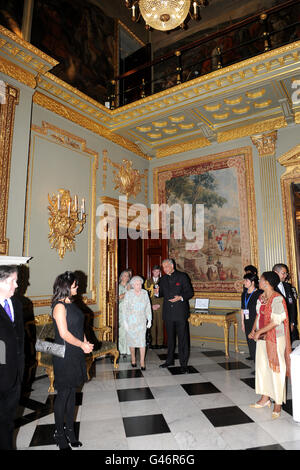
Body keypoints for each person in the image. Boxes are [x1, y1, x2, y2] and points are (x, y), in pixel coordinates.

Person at [51, 271, 93, 450]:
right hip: (64, 354)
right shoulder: (59, 306)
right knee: (63, 395)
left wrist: (85, 342)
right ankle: (60, 434)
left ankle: (70, 431)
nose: (78, 287)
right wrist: (81, 345)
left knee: (72, 394)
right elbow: (64, 333)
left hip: (75, 352)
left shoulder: (72, 303)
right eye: (75, 285)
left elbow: (77, 327)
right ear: (67, 287)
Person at [249, 271, 291, 419]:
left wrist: (260, 331)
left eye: (260, 280)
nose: (258, 282)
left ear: (267, 283)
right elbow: (258, 315)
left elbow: (276, 321)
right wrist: (254, 330)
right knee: (262, 368)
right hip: (262, 338)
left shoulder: (277, 299)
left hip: (275, 339)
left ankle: (278, 403)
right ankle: (265, 398)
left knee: (276, 369)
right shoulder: (261, 297)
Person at [0, 265, 25, 450]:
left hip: (15, 376)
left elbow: (20, 339)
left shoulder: (16, 304)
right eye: (12, 281)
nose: (16, 285)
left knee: (8, 424)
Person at [157, 259, 194, 374]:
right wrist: (157, 292)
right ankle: (169, 360)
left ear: (172, 266)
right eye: (163, 267)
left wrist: (180, 297)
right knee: (170, 339)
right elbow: (160, 294)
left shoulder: (182, 276)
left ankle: (184, 364)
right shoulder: (162, 279)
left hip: (180, 313)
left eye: (167, 266)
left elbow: (190, 293)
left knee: (183, 339)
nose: (165, 269)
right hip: (168, 313)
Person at [123, 276, 152, 370]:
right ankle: (133, 359)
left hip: (141, 321)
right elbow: (124, 309)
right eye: (136, 284)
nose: (138, 286)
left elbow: (148, 306)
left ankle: (142, 362)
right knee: (132, 342)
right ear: (132, 285)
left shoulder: (145, 293)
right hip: (131, 321)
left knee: (142, 342)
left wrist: (149, 319)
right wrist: (125, 322)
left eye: (140, 284)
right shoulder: (128, 294)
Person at [272, 263, 299, 343]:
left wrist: (293, 323)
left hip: (291, 325)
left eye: (286, 273)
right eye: (283, 273)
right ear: (275, 273)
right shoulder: (271, 288)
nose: (285, 276)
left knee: (295, 346)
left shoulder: (288, 286)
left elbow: (293, 306)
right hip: (279, 326)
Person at [241, 272, 262, 362]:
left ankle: (259, 364)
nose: (244, 282)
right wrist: (242, 323)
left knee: (257, 343)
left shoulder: (259, 293)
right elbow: (242, 308)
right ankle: (255, 362)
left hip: (256, 321)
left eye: (246, 280)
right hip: (247, 321)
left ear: (253, 282)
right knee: (250, 343)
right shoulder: (244, 294)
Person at [144, 265, 164, 349]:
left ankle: (160, 343)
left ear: (159, 272)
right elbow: (146, 294)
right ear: (152, 271)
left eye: (158, 271)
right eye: (155, 271)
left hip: (160, 304)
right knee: (151, 324)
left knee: (160, 324)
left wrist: (160, 304)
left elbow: (165, 294)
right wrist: (151, 305)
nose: (156, 273)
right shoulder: (148, 281)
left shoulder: (163, 281)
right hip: (151, 305)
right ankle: (152, 342)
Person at [118, 270, 131, 357]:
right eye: (125, 276)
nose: (126, 277)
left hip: (129, 311)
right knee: (122, 330)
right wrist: (127, 292)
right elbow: (118, 298)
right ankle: (122, 349)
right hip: (121, 310)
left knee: (129, 331)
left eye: (128, 276)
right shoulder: (118, 286)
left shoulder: (129, 286)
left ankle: (128, 350)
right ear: (121, 277)